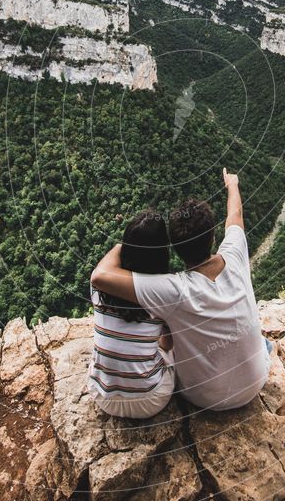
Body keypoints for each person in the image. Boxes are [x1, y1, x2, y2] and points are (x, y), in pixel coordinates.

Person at [91, 169, 270, 412]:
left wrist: (128, 242)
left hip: (204, 398)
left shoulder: (172, 290)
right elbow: (235, 216)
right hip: (255, 385)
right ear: (213, 236)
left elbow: (100, 277)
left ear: (174, 248)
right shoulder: (236, 254)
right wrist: (232, 185)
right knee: (263, 343)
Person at [88, 210, 175, 419]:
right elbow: (167, 344)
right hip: (150, 402)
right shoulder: (163, 295)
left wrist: (127, 244)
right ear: (162, 252)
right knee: (174, 353)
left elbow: (101, 271)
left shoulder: (99, 291)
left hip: (103, 397)